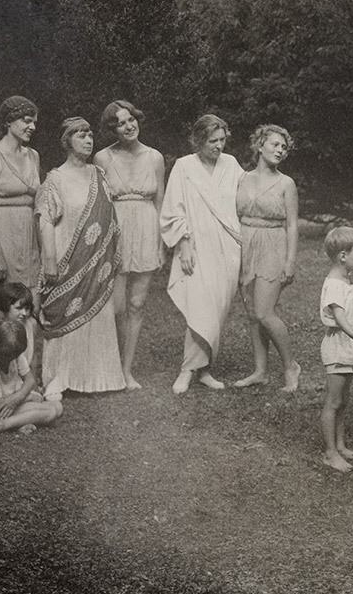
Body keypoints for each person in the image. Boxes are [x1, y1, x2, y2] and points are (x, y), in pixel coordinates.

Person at [35, 117, 126, 399]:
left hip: (97, 261)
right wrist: (50, 261)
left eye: (90, 135)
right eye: (81, 136)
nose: (88, 140)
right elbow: (45, 220)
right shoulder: (56, 178)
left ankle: (96, 379)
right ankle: (61, 378)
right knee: (64, 311)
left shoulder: (99, 174)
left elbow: (108, 215)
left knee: (97, 317)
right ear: (66, 141)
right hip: (67, 257)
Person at [160, 114, 243, 395]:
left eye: (222, 140)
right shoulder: (184, 166)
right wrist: (183, 244)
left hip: (228, 248)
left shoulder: (231, 164)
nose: (219, 146)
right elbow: (173, 209)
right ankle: (187, 369)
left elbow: (243, 201)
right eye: (212, 141)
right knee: (200, 305)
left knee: (217, 309)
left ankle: (204, 369)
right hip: (195, 247)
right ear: (198, 141)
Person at [93, 99, 165, 391]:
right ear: (113, 129)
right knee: (116, 306)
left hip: (147, 229)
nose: (128, 126)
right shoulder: (102, 158)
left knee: (137, 304)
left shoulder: (155, 157)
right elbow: (98, 203)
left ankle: (126, 369)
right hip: (117, 231)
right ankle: (108, 365)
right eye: (120, 123)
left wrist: (161, 244)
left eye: (131, 119)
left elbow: (160, 203)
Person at [234, 124, 302, 393]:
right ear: (259, 145)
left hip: (273, 245)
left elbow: (293, 225)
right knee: (253, 314)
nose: (280, 150)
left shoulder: (286, 183)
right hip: (245, 244)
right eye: (275, 144)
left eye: (284, 147)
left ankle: (291, 366)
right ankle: (260, 371)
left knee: (264, 312)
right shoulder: (241, 178)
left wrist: (290, 261)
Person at [0, 95, 41, 292]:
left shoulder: (33, 156)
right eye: (27, 121)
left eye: (34, 122)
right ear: (8, 122)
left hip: (29, 235)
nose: (32, 127)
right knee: (8, 300)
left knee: (33, 299)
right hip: (1, 235)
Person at [318, 226, 353, 472]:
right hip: (338, 346)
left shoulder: (344, 282)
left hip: (346, 345)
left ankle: (340, 445)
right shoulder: (334, 285)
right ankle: (330, 453)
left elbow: (349, 313)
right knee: (334, 401)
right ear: (343, 256)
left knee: (343, 400)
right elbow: (339, 317)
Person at [0, 319, 63, 438]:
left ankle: (20, 422)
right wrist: (25, 398)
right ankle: (1, 425)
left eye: (14, 356)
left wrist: (19, 396)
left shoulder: (13, 351)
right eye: (6, 357)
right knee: (52, 411)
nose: (10, 360)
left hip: (10, 399)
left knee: (56, 406)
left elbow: (30, 380)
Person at [0, 282, 41, 383]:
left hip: (22, 377)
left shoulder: (31, 324)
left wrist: (33, 383)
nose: (24, 313)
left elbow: (33, 357)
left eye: (27, 308)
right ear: (6, 306)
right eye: (19, 308)